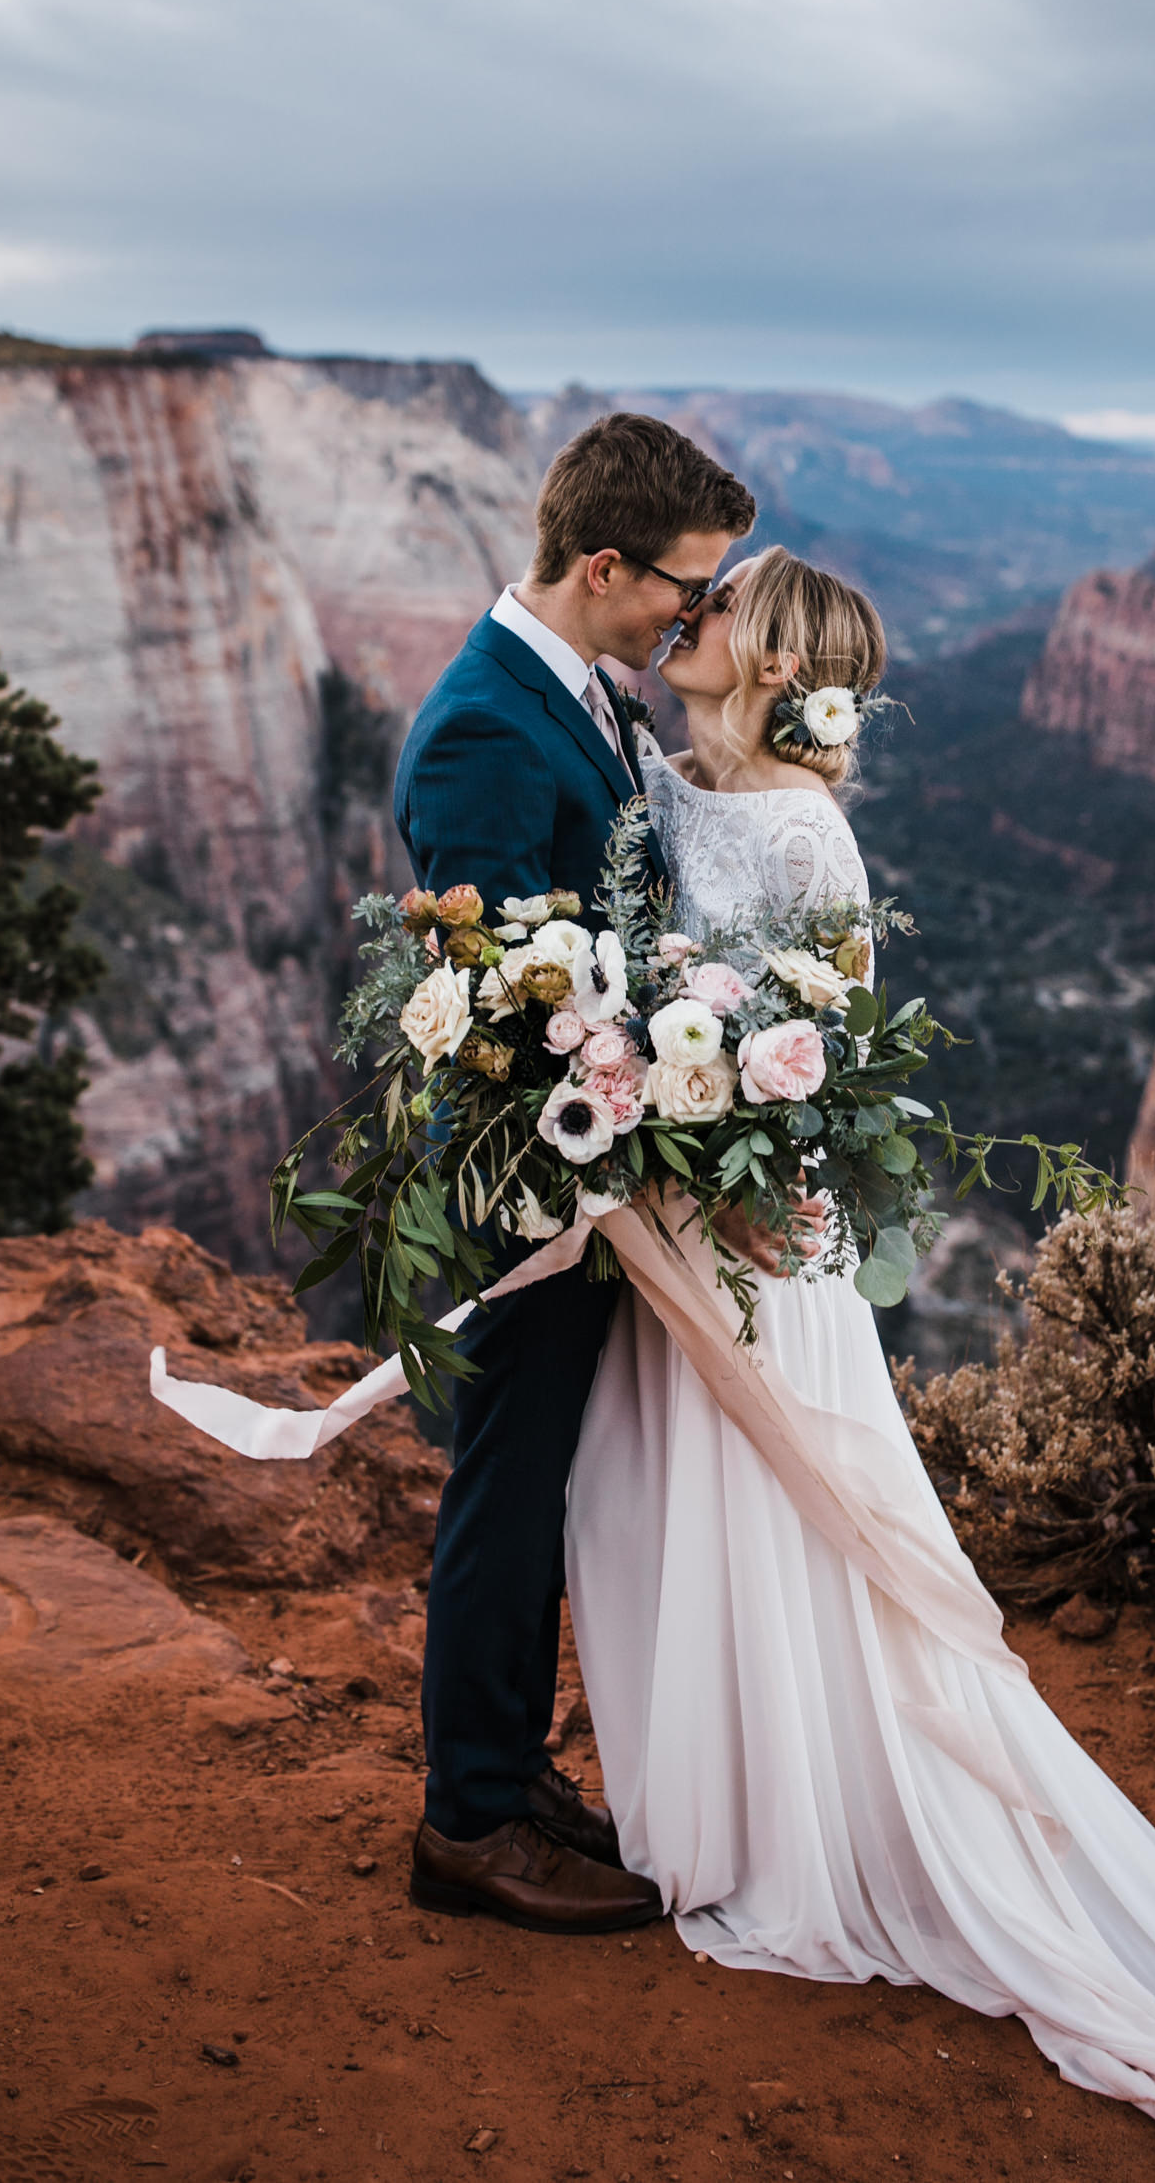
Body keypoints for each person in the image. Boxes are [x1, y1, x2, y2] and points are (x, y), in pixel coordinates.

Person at [563, 544, 1155, 2183]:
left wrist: (725, 1140)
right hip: (665, 1224)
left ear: (777, 666)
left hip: (757, 1238)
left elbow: (817, 1060)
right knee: (654, 1501)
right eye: (690, 607)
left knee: (770, 1515)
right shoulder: (661, 766)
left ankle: (786, 1829)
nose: (689, 622)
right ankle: (699, 1805)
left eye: (721, 614)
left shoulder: (804, 832)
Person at [392, 410, 754, 1934]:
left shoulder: (580, 688)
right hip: (528, 1187)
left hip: (594, 1171)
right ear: (601, 565)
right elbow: (497, 995)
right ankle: (468, 1818)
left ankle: (511, 1770)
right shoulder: (483, 722)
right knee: (507, 1489)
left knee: (540, 1490)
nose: (698, 615)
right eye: (686, 587)